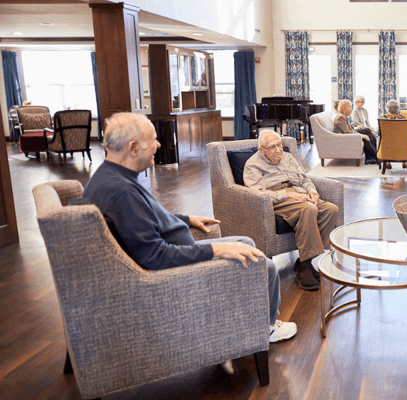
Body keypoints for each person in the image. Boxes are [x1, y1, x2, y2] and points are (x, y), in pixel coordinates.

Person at [70, 113, 296, 368]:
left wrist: (185, 219)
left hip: (176, 248)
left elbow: (145, 218)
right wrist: (216, 249)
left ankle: (245, 317)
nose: (158, 145)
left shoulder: (111, 177)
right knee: (264, 266)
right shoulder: (122, 192)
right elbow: (156, 257)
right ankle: (265, 327)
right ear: (133, 148)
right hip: (172, 270)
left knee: (245, 241)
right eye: (153, 140)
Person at [243, 130, 339, 291]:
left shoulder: (288, 157)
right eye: (272, 147)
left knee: (331, 209)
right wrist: (287, 195)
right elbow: (258, 193)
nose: (278, 150)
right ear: (262, 150)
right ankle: (306, 269)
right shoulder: (252, 165)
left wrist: (312, 191)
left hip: (300, 193)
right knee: (308, 210)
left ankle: (307, 263)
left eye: (279, 144)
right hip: (279, 198)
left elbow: (304, 179)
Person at [333, 99, 379, 165]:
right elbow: (347, 133)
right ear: (345, 108)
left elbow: (351, 130)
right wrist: (362, 135)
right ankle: (375, 157)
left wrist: (361, 134)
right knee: (366, 137)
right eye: (350, 107)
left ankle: (372, 157)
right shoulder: (340, 117)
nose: (351, 109)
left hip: (347, 135)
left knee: (368, 131)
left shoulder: (343, 116)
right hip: (342, 138)